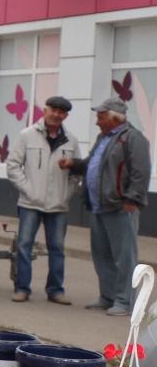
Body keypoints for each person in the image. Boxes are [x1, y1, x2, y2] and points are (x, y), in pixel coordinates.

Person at [62, 97, 152, 317]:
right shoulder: (104, 137)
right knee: (102, 254)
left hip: (122, 206)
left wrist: (133, 199)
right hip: (99, 206)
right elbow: (93, 165)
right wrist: (73, 164)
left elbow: (141, 172)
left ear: (114, 117)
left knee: (124, 257)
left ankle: (125, 301)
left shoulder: (133, 138)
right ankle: (108, 297)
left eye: (100, 117)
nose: (97, 121)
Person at [5, 95, 80, 304]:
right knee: (24, 245)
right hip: (30, 203)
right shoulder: (27, 135)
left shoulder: (71, 140)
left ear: (65, 115)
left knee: (57, 248)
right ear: (44, 110)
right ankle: (22, 288)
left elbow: (76, 171)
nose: (56, 114)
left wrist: (66, 193)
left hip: (58, 205)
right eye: (53, 110)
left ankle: (56, 290)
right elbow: (12, 166)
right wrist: (28, 190)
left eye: (61, 112)